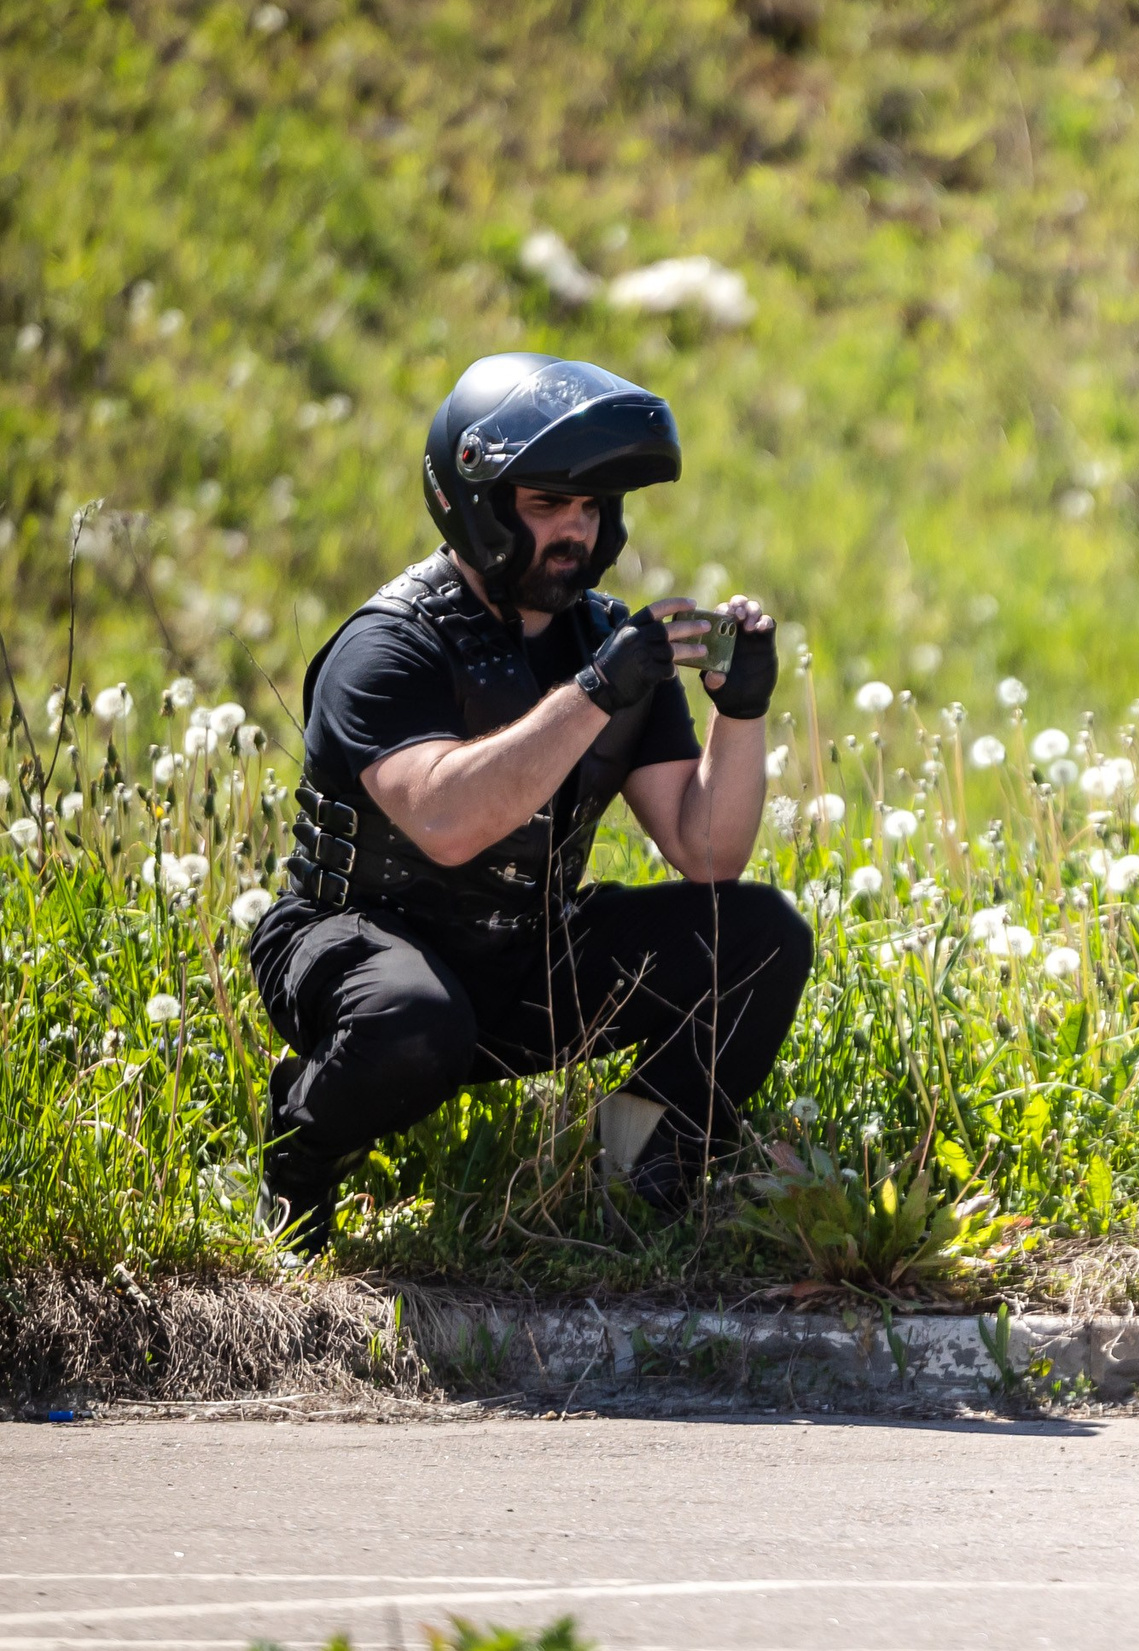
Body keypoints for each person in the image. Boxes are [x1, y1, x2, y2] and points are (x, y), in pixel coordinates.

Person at [249, 353, 812, 1254]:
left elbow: (706, 851)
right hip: (356, 946)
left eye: (591, 509)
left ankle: (647, 1169)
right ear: (477, 503)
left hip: (521, 953)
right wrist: (596, 690)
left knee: (760, 935)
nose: (576, 534)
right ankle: (296, 1159)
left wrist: (740, 713)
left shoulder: (610, 643)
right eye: (548, 506)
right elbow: (444, 821)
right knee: (414, 1016)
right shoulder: (389, 645)